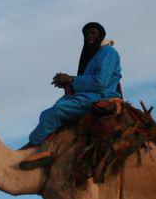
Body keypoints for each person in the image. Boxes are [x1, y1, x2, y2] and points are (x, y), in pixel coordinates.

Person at [21, 22, 122, 166]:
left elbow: (100, 82)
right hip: (88, 96)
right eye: (86, 34)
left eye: (93, 33)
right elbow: (87, 81)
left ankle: (30, 147)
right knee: (45, 114)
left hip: (101, 97)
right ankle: (45, 151)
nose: (89, 37)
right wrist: (68, 84)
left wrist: (71, 79)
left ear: (101, 35)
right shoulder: (92, 57)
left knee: (59, 110)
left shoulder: (108, 53)